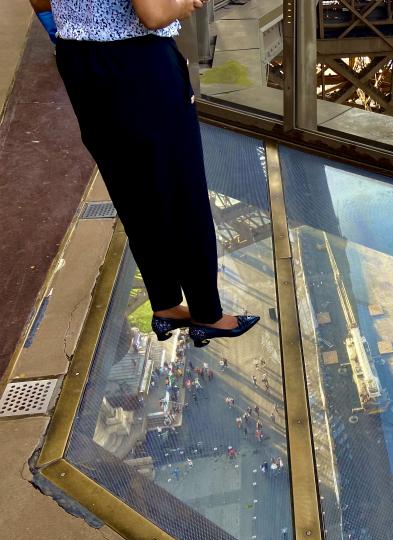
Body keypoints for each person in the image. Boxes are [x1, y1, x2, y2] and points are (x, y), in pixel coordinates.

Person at [46, 0, 260, 347]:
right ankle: (208, 314)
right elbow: (154, 13)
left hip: (79, 64)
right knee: (183, 191)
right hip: (138, 63)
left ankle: (165, 304)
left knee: (132, 193)